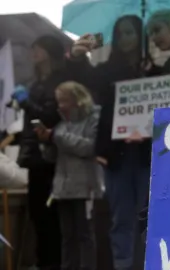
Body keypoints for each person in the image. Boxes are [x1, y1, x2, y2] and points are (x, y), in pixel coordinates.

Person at [69, 15, 160, 270]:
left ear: (140, 36)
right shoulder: (107, 70)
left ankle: (147, 263)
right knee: (121, 215)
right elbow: (84, 79)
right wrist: (76, 56)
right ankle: (122, 264)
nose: (125, 38)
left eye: (130, 33)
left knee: (149, 213)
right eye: (120, 33)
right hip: (116, 154)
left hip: (147, 153)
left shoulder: (155, 70)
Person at [11, 35, 67, 270]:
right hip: (34, 156)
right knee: (36, 212)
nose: (33, 52)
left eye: (38, 48)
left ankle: (52, 262)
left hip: (51, 156)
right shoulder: (34, 83)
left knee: (49, 213)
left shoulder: (58, 83)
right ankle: (42, 261)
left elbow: (48, 117)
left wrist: (26, 103)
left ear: (49, 52)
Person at [35, 81, 102, 270]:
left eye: (64, 100)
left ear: (78, 100)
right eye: (59, 101)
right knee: (67, 238)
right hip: (63, 190)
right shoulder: (62, 124)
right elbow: (51, 157)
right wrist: (46, 142)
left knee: (85, 235)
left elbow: (89, 147)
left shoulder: (93, 118)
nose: (60, 105)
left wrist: (56, 137)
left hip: (85, 187)